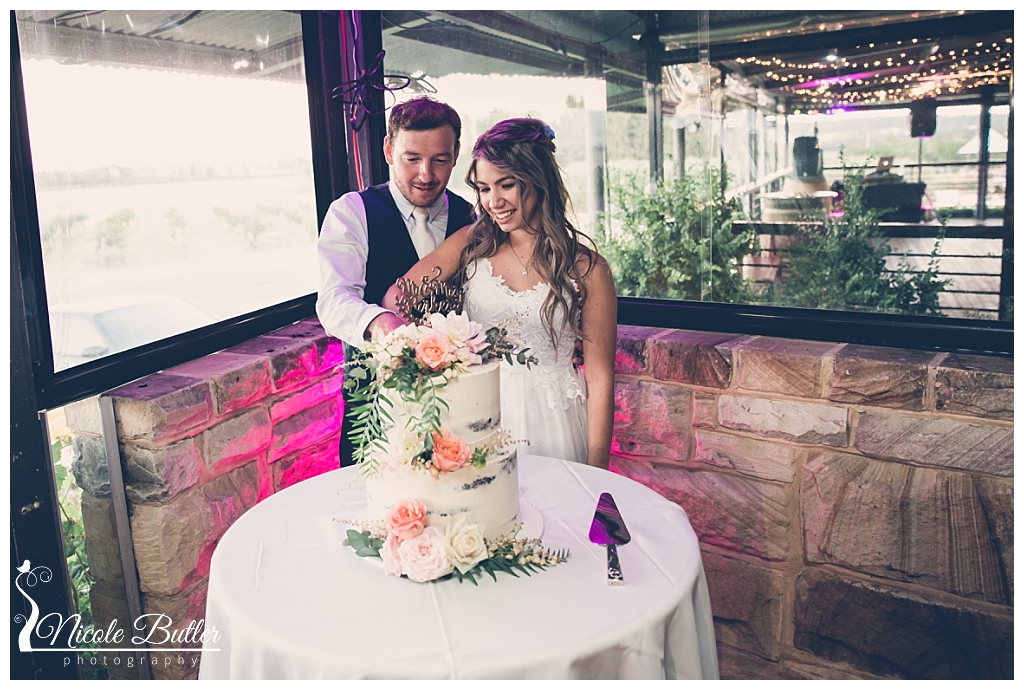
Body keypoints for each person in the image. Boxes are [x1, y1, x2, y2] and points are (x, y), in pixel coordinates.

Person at [384, 118, 617, 470]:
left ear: (538, 179)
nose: (493, 202)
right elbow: (397, 299)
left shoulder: (588, 269)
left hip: (555, 420)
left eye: (506, 185)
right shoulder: (470, 244)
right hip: (478, 413)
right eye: (483, 188)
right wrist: (444, 348)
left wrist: (598, 472)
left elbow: (599, 378)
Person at [317, 96, 475, 466]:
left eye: (440, 160)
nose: (426, 174)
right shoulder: (351, 213)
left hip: (458, 410)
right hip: (375, 409)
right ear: (389, 150)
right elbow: (334, 298)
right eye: (412, 158)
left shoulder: (472, 218)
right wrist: (380, 321)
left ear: (456, 154)